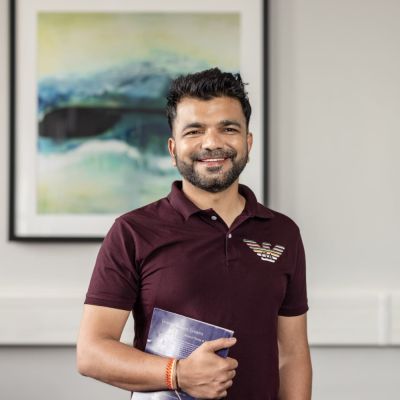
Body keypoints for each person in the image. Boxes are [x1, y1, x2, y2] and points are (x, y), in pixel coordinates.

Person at [77, 68, 312, 399]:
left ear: (248, 142)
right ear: (173, 149)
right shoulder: (133, 231)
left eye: (228, 129)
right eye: (194, 131)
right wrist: (179, 374)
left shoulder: (283, 233)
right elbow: (91, 353)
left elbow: (292, 355)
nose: (212, 143)